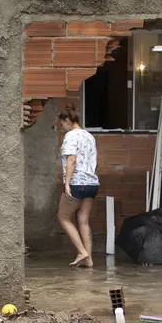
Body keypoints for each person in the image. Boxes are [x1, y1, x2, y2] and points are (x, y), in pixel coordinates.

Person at [55, 102, 99, 268]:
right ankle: (89, 261)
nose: (62, 127)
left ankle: (81, 251)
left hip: (77, 183)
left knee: (63, 217)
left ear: (67, 120)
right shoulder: (89, 136)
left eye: (62, 123)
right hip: (92, 183)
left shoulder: (71, 136)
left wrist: (67, 184)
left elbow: (71, 159)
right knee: (83, 221)